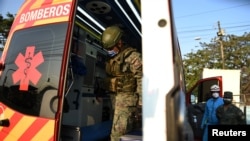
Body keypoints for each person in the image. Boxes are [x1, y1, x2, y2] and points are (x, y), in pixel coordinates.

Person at [101, 25, 142, 141]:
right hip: (114, 98)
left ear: (119, 42)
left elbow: (142, 79)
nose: (109, 51)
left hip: (127, 101)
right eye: (107, 49)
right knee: (120, 129)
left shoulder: (133, 57)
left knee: (118, 135)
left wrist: (141, 102)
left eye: (111, 48)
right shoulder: (112, 58)